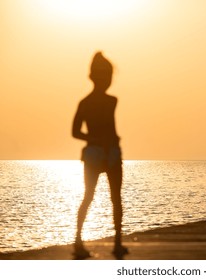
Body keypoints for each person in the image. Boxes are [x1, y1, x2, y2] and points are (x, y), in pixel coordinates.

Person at [72, 52, 127, 258]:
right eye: (106, 76)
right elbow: (75, 131)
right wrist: (97, 140)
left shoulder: (93, 101)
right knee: (98, 197)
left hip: (104, 151)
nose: (108, 80)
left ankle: (115, 242)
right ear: (96, 77)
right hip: (100, 151)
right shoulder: (101, 101)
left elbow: (76, 132)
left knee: (107, 197)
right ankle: (82, 241)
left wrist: (98, 140)